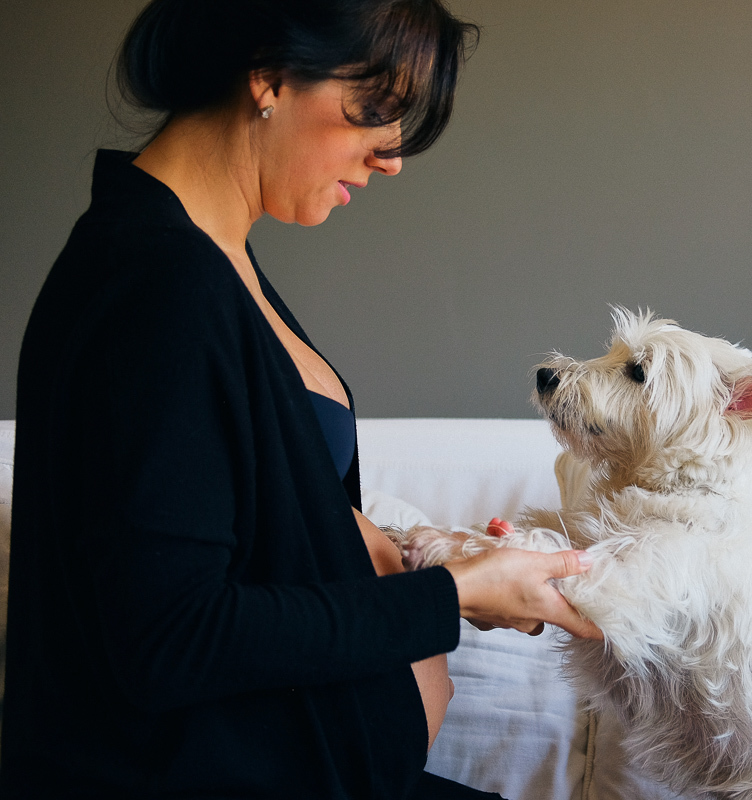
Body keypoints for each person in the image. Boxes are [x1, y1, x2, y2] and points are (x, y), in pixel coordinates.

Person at [0, 0, 600, 797]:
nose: (391, 158)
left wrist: (424, 557)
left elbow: (255, 524)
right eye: (376, 111)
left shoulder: (205, 258)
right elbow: (172, 637)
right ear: (270, 74)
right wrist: (448, 599)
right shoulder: (157, 287)